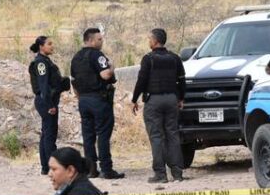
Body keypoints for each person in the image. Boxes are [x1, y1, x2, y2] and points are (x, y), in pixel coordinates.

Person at [131, 28, 186, 183]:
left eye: (149, 38)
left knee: (156, 137)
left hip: (153, 101)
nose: (148, 41)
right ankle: (177, 173)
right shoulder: (175, 58)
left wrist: (134, 99)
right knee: (173, 135)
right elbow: (182, 80)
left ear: (155, 41)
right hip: (171, 99)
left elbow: (141, 80)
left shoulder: (148, 59)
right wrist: (181, 98)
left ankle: (160, 174)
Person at [70, 28, 124, 179]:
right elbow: (106, 75)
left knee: (88, 136)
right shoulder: (97, 55)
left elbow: (73, 81)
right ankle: (107, 169)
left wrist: (80, 98)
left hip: (84, 101)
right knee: (103, 135)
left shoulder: (76, 57)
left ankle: (91, 169)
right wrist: (112, 66)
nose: (101, 42)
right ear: (91, 40)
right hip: (99, 100)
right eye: (99, 39)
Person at [29, 36, 71, 175]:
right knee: (50, 135)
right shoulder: (41, 63)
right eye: (49, 44)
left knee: (46, 133)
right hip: (46, 101)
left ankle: (46, 167)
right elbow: (43, 86)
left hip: (46, 100)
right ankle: (53, 167)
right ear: (41, 46)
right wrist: (50, 105)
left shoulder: (45, 61)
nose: (52, 46)